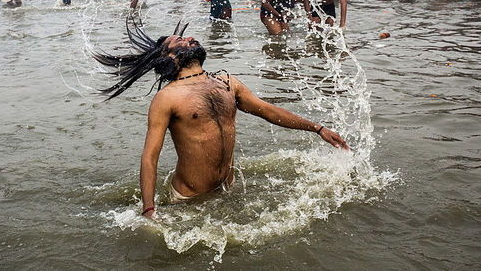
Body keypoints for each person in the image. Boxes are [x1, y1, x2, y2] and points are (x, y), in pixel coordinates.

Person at [92, 21, 348, 216]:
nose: (190, 38)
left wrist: (318, 128)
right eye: (180, 40)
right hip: (188, 200)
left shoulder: (227, 82)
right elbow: (150, 156)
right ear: (169, 57)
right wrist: (149, 210)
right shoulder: (167, 98)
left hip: (228, 188)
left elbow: (267, 111)